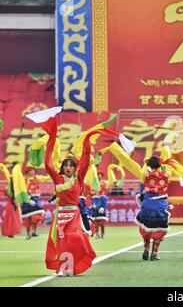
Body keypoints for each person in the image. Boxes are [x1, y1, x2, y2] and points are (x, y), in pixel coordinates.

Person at [26, 107, 133, 275]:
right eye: (66, 165)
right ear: (62, 168)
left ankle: (74, 264)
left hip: (74, 213)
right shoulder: (58, 179)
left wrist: (88, 139)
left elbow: (85, 161)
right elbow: (47, 164)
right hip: (61, 214)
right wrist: (52, 135)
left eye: (71, 166)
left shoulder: (79, 178)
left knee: (74, 238)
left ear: (75, 168)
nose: (68, 167)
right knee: (62, 241)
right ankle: (64, 268)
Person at [22, 166, 50, 239]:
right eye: (32, 170)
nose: (33, 172)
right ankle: (28, 233)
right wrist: (27, 199)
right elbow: (21, 189)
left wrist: (54, 173)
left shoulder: (37, 178)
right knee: (27, 217)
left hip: (36, 199)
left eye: (34, 170)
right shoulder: (23, 180)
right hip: (27, 199)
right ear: (28, 171)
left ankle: (34, 231)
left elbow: (47, 178)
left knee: (36, 216)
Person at [0, 164, 22, 238]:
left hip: (13, 203)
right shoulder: (12, 184)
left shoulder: (15, 184)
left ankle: (11, 232)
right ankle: (10, 232)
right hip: (12, 203)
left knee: (11, 218)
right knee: (12, 218)